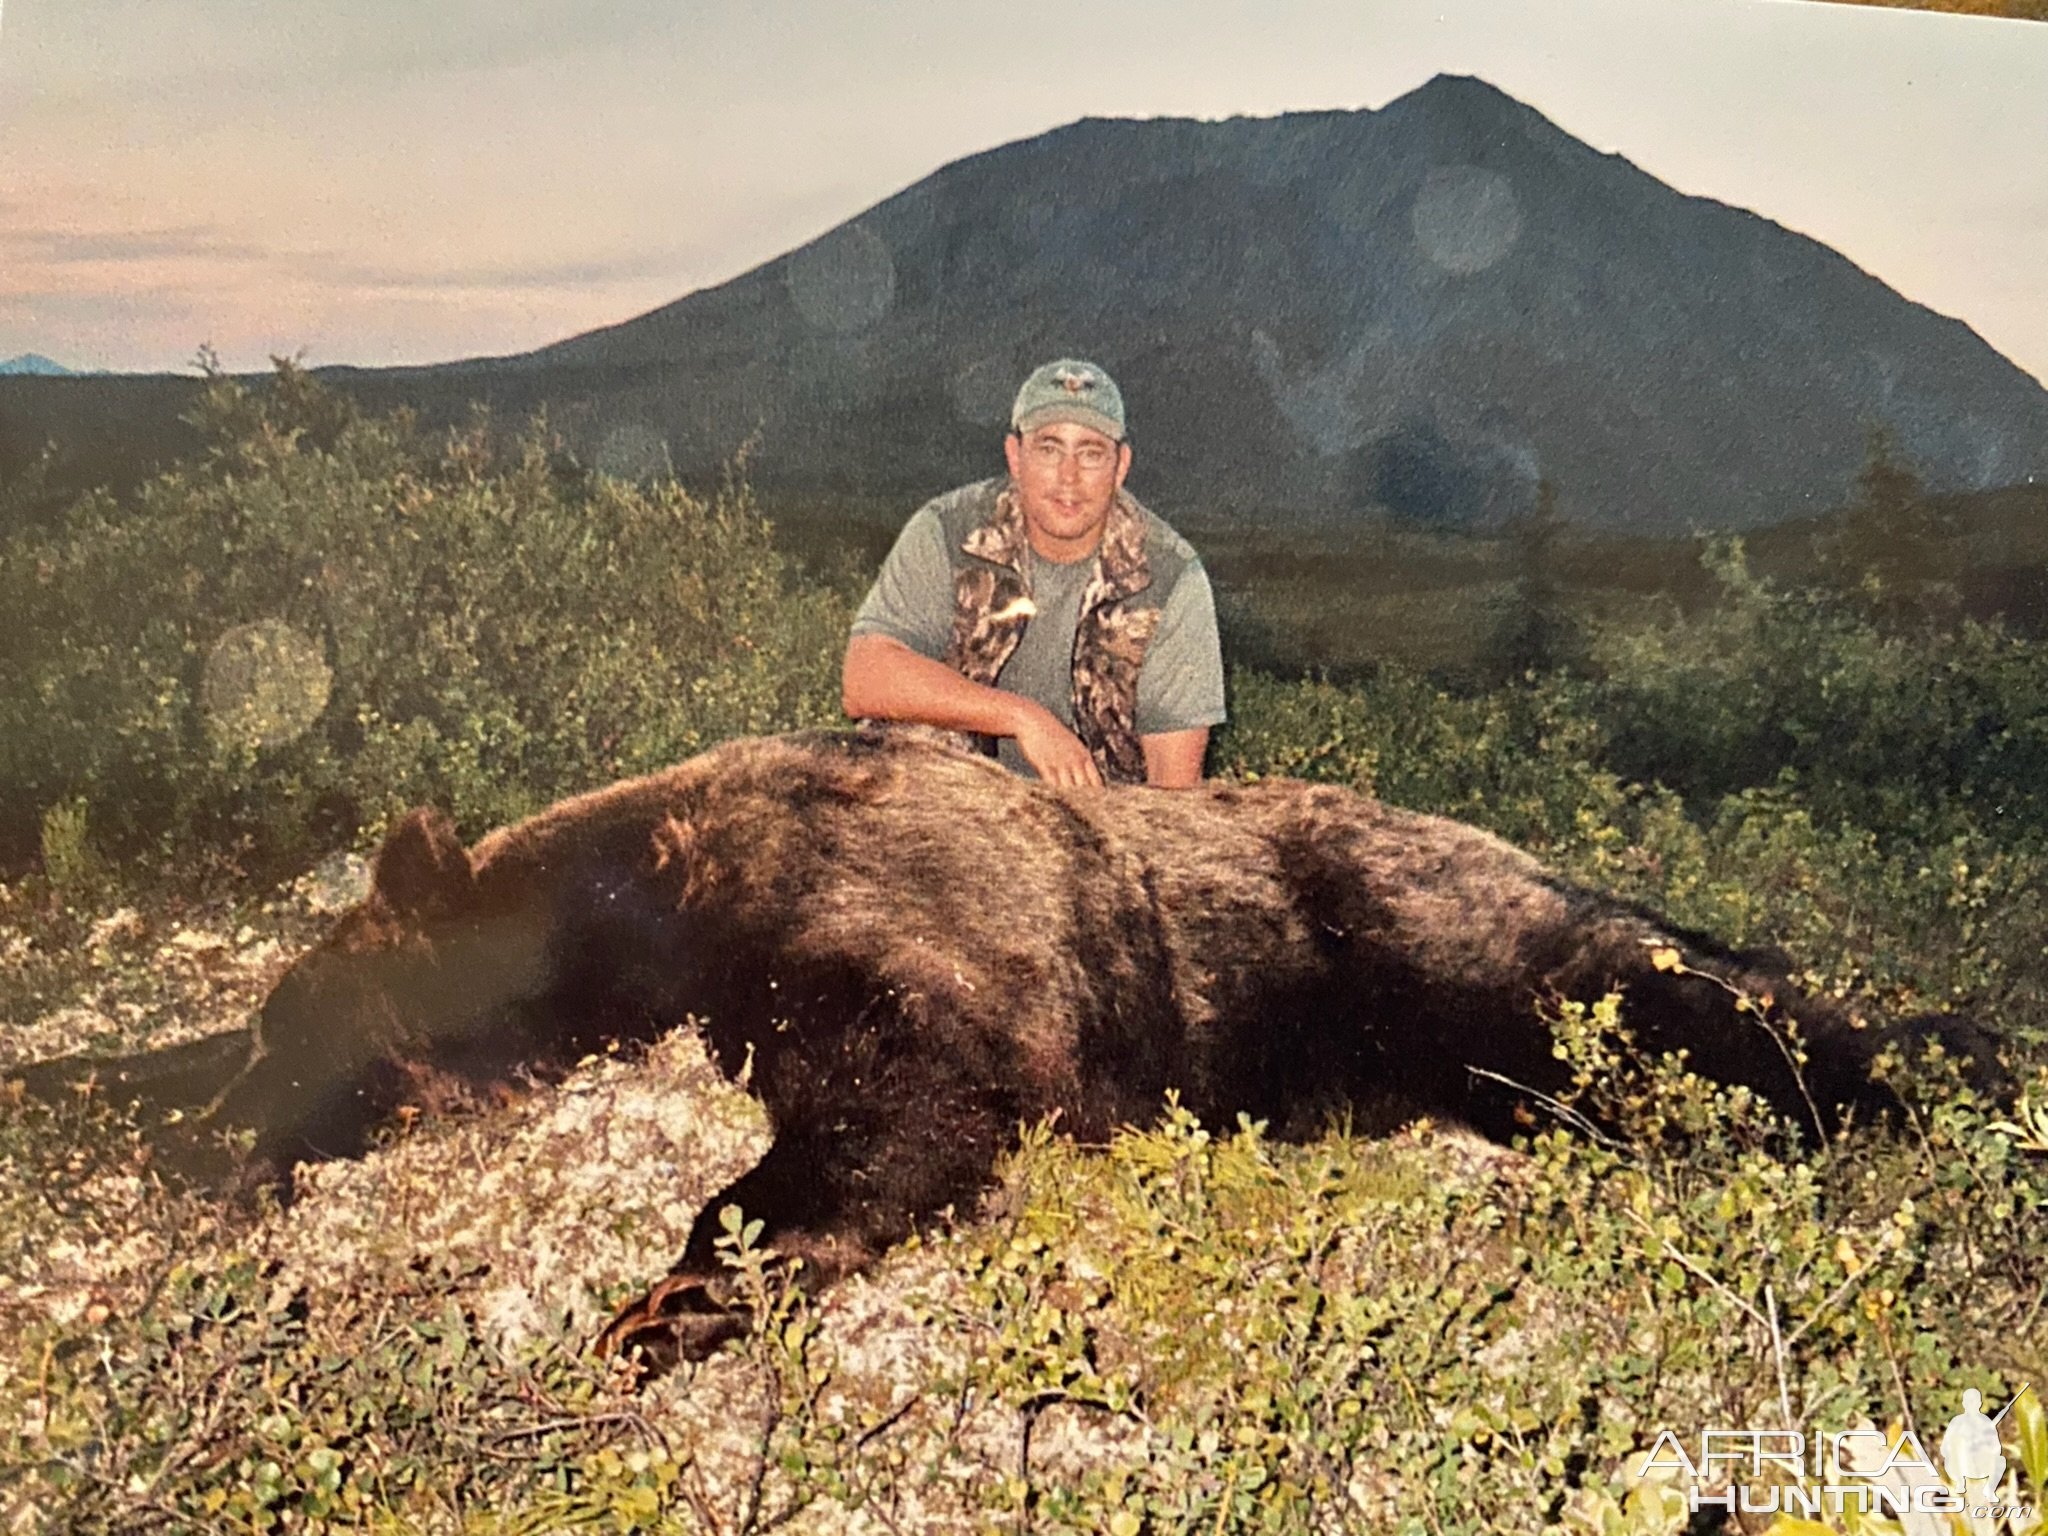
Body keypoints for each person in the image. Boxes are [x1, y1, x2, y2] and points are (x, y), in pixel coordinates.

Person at [843, 358, 1225, 789]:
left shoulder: (1171, 573)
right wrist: (1023, 718)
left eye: (1091, 453)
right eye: (1048, 448)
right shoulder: (948, 530)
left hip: (1091, 818)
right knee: (903, 742)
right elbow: (866, 676)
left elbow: (1174, 785)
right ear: (1015, 456)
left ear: (1120, 468)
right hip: (959, 804)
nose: (1068, 478)